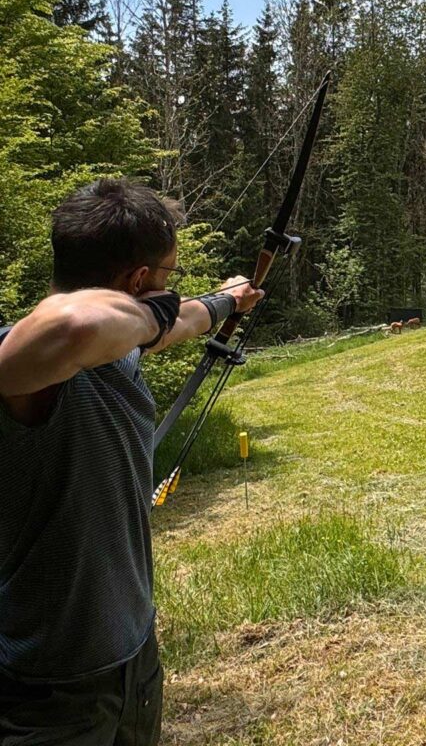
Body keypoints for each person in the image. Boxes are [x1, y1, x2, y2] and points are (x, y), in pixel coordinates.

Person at [0, 178, 264, 745]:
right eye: (167, 276)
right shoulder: (23, 363)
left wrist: (226, 300)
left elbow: (183, 321)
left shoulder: (120, 345)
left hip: (134, 653)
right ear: (139, 280)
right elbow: (77, 325)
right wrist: (151, 319)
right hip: (48, 685)